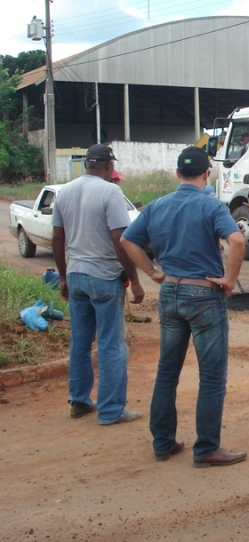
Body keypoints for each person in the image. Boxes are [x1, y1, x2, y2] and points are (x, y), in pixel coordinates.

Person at [120, 146, 248, 467]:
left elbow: (127, 240)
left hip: (170, 293)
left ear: (177, 174)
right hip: (204, 296)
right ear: (207, 174)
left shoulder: (157, 206)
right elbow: (237, 240)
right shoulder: (212, 205)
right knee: (212, 377)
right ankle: (206, 449)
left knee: (167, 373)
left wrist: (151, 272)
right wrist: (230, 279)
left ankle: (163, 443)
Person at [52, 143, 145, 425]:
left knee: (80, 342)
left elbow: (58, 239)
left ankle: (79, 401)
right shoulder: (111, 191)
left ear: (86, 165)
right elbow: (120, 239)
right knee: (112, 345)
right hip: (104, 276)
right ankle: (111, 410)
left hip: (77, 275)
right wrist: (135, 280)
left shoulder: (65, 191)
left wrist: (64, 276)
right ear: (108, 167)